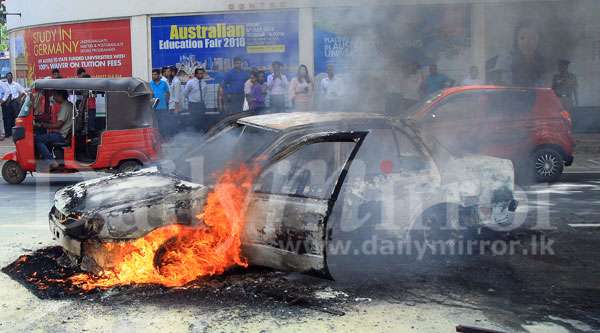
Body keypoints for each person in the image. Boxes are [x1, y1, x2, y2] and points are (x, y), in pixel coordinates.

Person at [486, 21, 544, 87]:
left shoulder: (544, 62)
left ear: (539, 40)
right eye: (522, 38)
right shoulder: (506, 59)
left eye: (532, 38)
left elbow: (544, 87)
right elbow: (503, 86)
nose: (527, 42)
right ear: (516, 40)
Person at [34, 90, 73, 170]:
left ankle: (51, 161)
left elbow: (58, 125)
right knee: (46, 137)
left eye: (55, 95)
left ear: (60, 96)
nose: (53, 98)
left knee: (37, 139)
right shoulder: (69, 105)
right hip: (64, 133)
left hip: (62, 135)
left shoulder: (65, 107)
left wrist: (43, 125)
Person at [183, 67, 209, 132]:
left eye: (202, 73)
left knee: (202, 120)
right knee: (193, 121)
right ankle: (193, 135)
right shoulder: (190, 82)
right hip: (193, 105)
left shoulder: (204, 83)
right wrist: (191, 99)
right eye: (199, 73)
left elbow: (204, 94)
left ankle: (201, 135)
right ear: (196, 74)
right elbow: (185, 93)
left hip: (201, 105)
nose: (201, 75)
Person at [2, 72, 25, 138]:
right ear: (6, 78)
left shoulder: (16, 84)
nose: (9, 77)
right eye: (8, 76)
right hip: (7, 102)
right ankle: (8, 133)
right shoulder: (4, 84)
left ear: (12, 77)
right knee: (8, 118)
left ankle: (16, 133)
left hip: (14, 102)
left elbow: (23, 91)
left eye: (10, 76)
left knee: (16, 117)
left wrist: (18, 98)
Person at [150, 68, 171, 138]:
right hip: (154, 107)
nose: (153, 76)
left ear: (159, 75)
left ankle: (164, 137)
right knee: (155, 124)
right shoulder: (150, 84)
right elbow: (149, 95)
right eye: (152, 74)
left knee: (163, 123)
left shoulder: (163, 83)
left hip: (163, 107)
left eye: (155, 74)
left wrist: (166, 102)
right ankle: (156, 138)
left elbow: (168, 93)